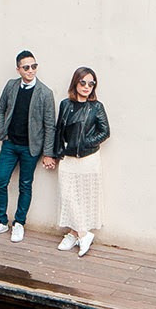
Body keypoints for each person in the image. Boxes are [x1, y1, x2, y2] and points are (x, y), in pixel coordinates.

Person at [0, 50, 56, 242]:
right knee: (0, 181)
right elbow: (0, 109)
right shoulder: (11, 86)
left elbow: (50, 126)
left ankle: (19, 223)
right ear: (18, 69)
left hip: (30, 149)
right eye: (26, 67)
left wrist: (48, 153)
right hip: (10, 145)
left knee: (25, 185)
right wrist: (3, 132)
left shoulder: (45, 93)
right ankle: (1, 222)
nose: (31, 70)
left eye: (34, 66)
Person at [44, 66, 109, 256]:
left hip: (88, 159)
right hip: (68, 158)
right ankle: (82, 234)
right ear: (75, 82)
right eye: (83, 82)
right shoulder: (66, 104)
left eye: (91, 83)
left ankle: (74, 234)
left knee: (83, 198)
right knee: (68, 196)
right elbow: (58, 130)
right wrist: (53, 154)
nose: (87, 86)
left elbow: (105, 132)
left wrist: (84, 142)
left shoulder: (96, 107)